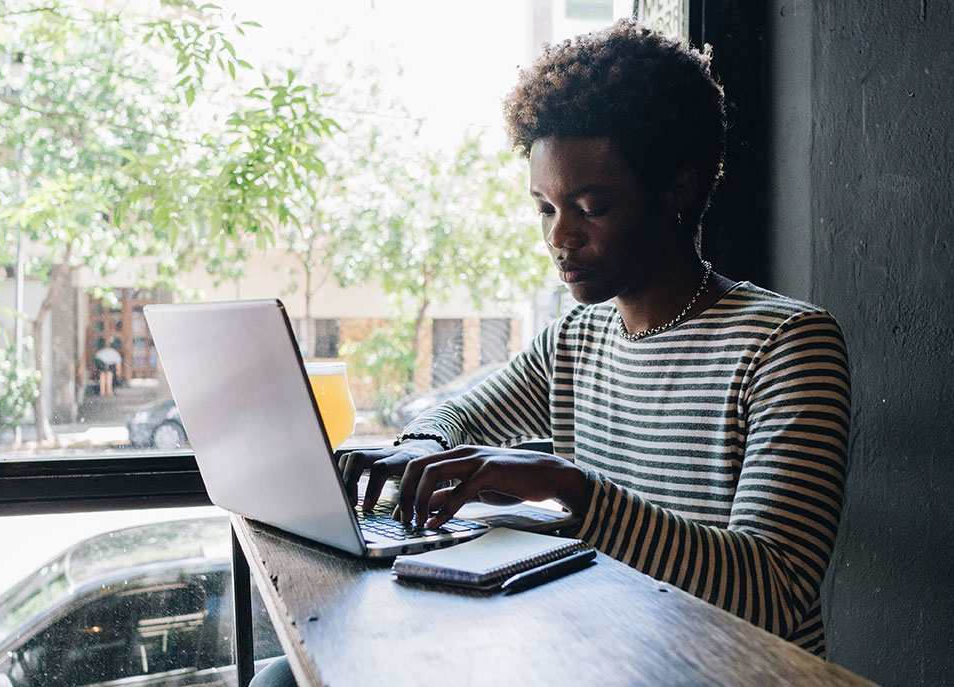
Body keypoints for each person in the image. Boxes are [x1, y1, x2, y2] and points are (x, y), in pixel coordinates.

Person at [253, 19, 849, 687]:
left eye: (590, 207)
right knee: (291, 674)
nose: (560, 237)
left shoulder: (788, 344)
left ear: (676, 193)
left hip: (726, 673)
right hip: (603, 653)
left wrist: (568, 488)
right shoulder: (577, 339)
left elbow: (771, 589)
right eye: (545, 207)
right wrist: (423, 445)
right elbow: (458, 416)